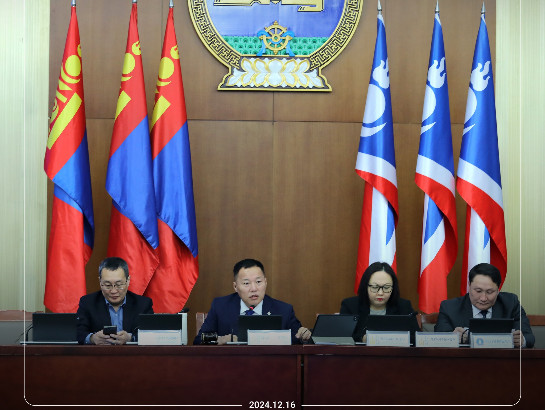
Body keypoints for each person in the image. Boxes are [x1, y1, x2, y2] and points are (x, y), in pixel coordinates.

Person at [194, 258, 311, 345]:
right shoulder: (220, 306)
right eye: (246, 283)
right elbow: (199, 340)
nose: (254, 288)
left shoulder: (284, 310)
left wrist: (304, 336)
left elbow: (299, 340)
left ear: (265, 282)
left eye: (258, 282)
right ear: (235, 287)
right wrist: (222, 339)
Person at [434, 263, 534, 348]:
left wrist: (521, 340)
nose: (483, 298)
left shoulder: (511, 303)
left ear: (498, 289)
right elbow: (438, 339)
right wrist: (452, 338)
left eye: (490, 292)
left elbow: (529, 337)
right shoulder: (449, 307)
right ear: (469, 285)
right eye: (478, 291)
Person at [76, 257, 154, 345]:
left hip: (132, 353)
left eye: (119, 285)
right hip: (100, 353)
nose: (113, 291)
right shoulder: (87, 303)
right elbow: (78, 332)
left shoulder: (143, 304)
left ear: (128, 281)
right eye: (107, 285)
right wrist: (92, 338)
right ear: (100, 282)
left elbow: (151, 334)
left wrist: (131, 338)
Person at [340, 261, 419, 342]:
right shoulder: (350, 306)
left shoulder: (404, 306)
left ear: (393, 288)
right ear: (365, 286)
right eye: (375, 287)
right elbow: (343, 337)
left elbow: (417, 338)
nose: (380, 293)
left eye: (386, 287)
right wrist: (362, 339)